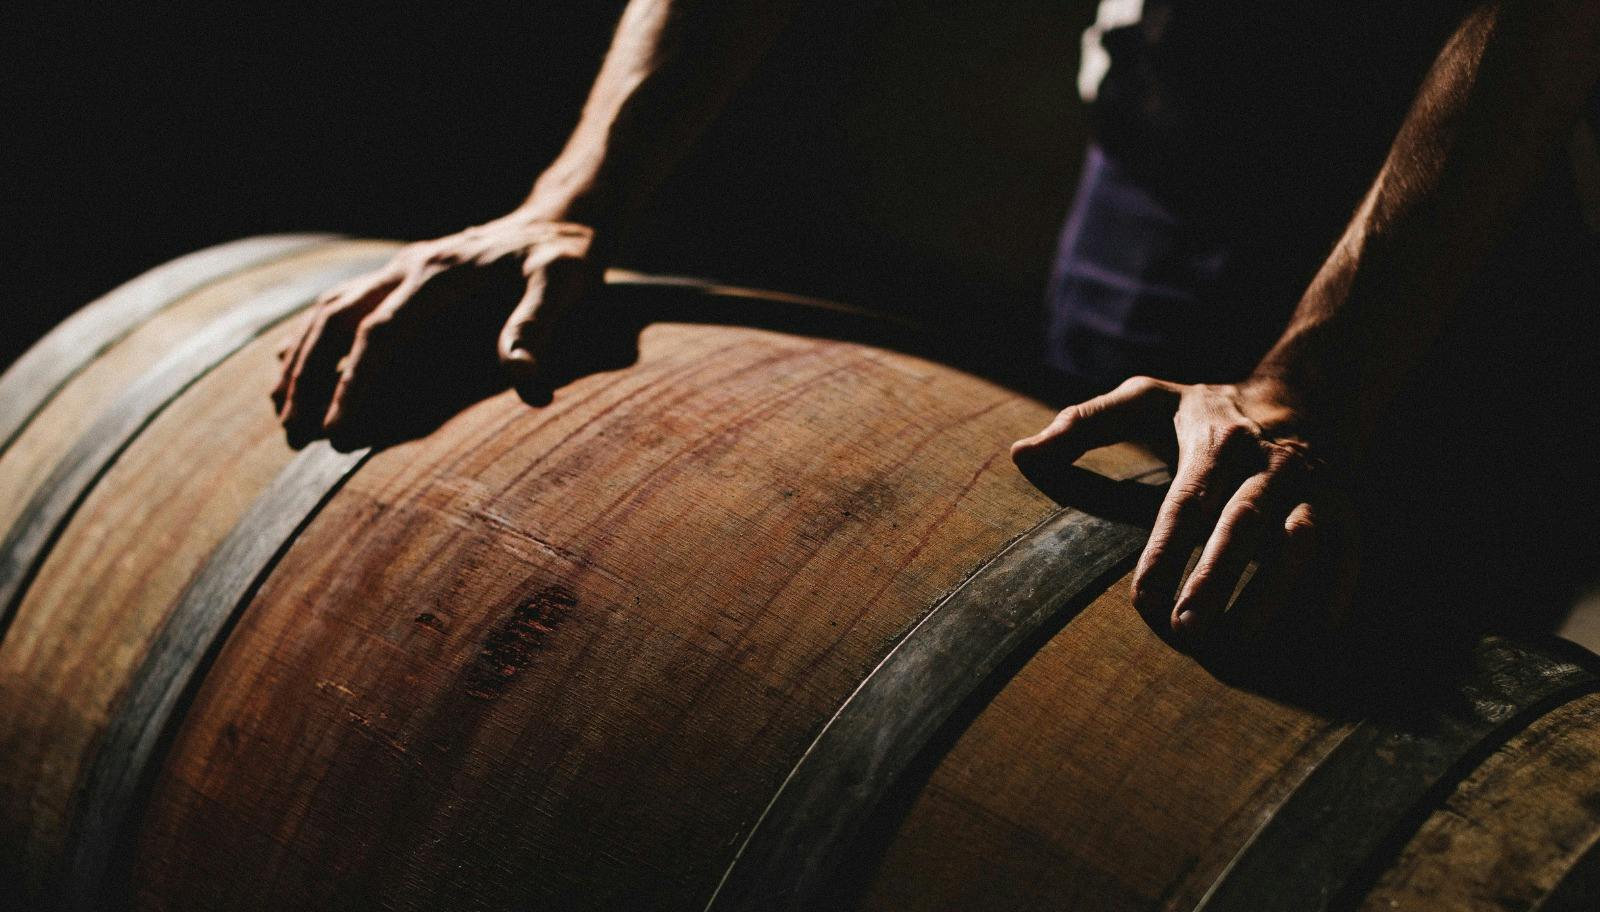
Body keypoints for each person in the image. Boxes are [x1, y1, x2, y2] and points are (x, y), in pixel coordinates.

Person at [272, 0, 1600, 645]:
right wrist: (572, 200)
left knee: (1417, 718)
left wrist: (1311, 386)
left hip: (1477, 233)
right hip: (1166, 169)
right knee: (1112, 675)